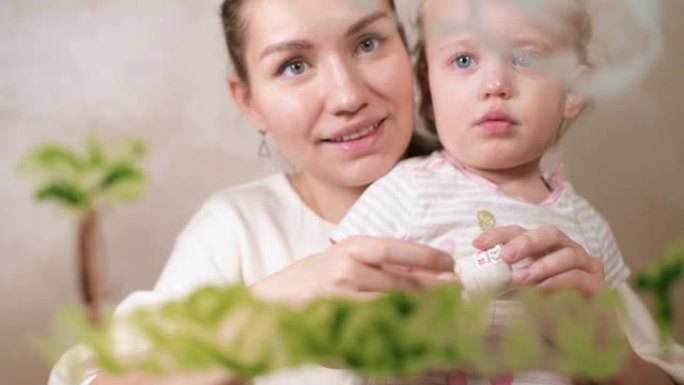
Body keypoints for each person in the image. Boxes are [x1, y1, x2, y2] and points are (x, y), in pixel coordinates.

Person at [48, 0, 681, 385]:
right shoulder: (237, 230)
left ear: (416, 61)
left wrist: (606, 357)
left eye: (368, 42)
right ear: (250, 102)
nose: (348, 95)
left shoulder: (538, 214)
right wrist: (272, 311)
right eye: (293, 65)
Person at [331, 0, 684, 384]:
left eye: (526, 58)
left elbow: (639, 358)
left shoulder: (586, 225)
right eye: (464, 60)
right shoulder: (407, 191)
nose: (495, 84)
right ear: (429, 89)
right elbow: (329, 304)